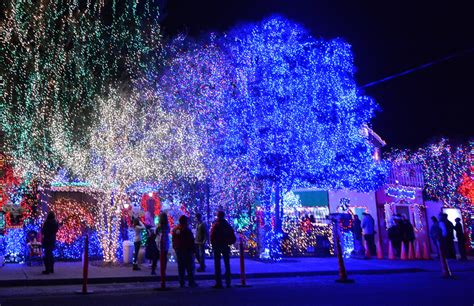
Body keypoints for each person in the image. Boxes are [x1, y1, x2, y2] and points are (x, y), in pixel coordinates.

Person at [210, 210, 236, 289]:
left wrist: (213, 244)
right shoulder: (227, 225)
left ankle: (219, 282)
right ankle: (228, 282)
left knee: (217, 264)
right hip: (225, 246)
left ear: (218, 216)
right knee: (227, 264)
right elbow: (233, 237)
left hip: (217, 246)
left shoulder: (216, 225)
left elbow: (212, 236)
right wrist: (229, 243)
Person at [172, 215, 197, 288]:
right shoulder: (186, 229)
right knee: (190, 267)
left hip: (179, 250)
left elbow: (174, 240)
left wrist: (175, 248)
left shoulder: (175, 229)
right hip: (187, 250)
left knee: (181, 267)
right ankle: (191, 282)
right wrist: (193, 249)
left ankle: (182, 282)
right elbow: (191, 240)